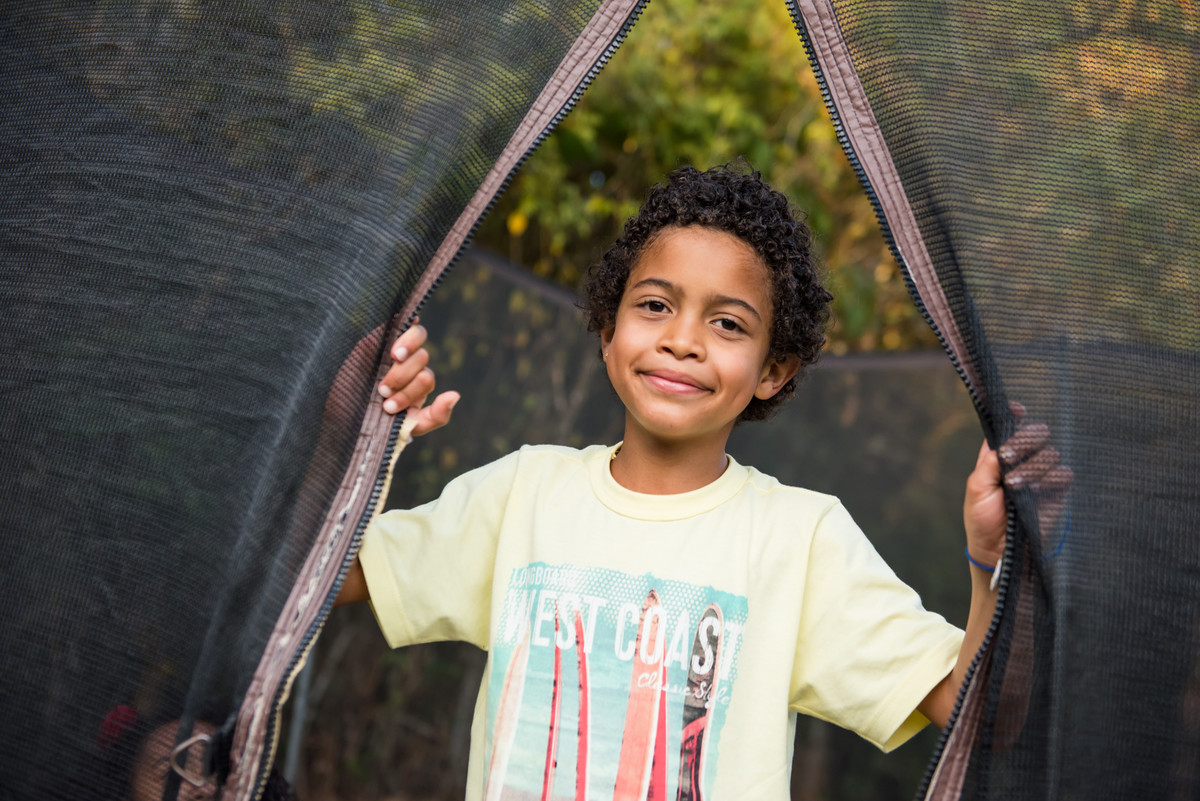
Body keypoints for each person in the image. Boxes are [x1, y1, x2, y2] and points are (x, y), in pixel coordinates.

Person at [335, 165, 1069, 801]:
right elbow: (321, 583)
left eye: (727, 323)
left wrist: (999, 563)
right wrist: (343, 434)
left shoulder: (799, 538)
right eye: (654, 305)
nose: (681, 339)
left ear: (772, 370)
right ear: (607, 328)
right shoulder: (522, 492)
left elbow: (988, 718)